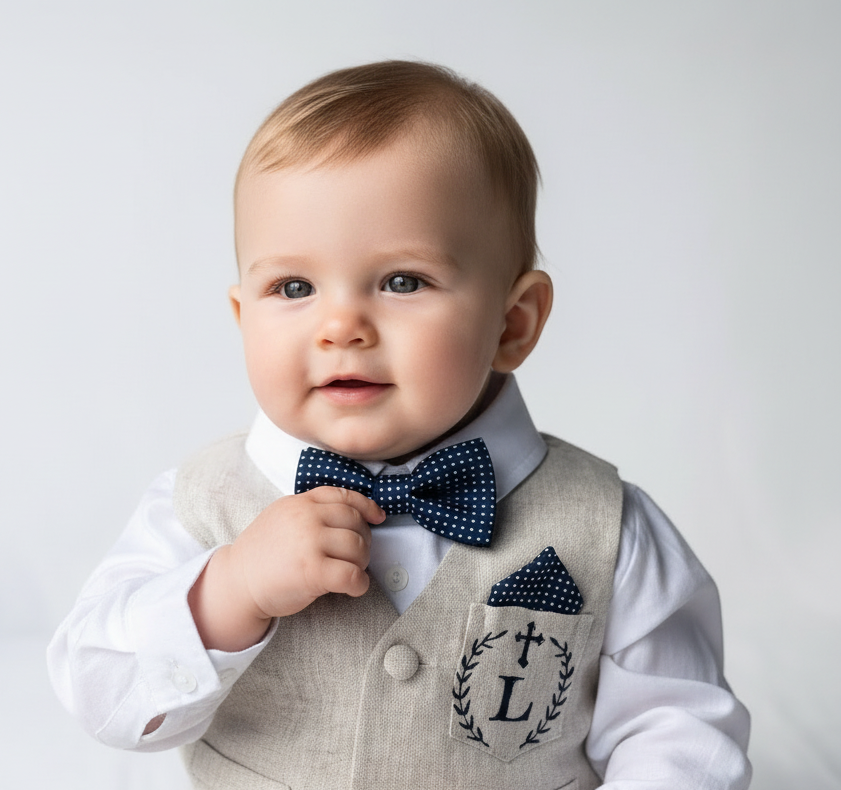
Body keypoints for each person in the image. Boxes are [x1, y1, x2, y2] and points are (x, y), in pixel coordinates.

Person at [48, 61, 751, 789]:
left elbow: (677, 731)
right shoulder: (199, 506)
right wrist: (228, 592)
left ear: (512, 324)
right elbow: (100, 694)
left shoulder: (607, 529)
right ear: (241, 318)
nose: (340, 325)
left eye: (401, 281)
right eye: (292, 287)